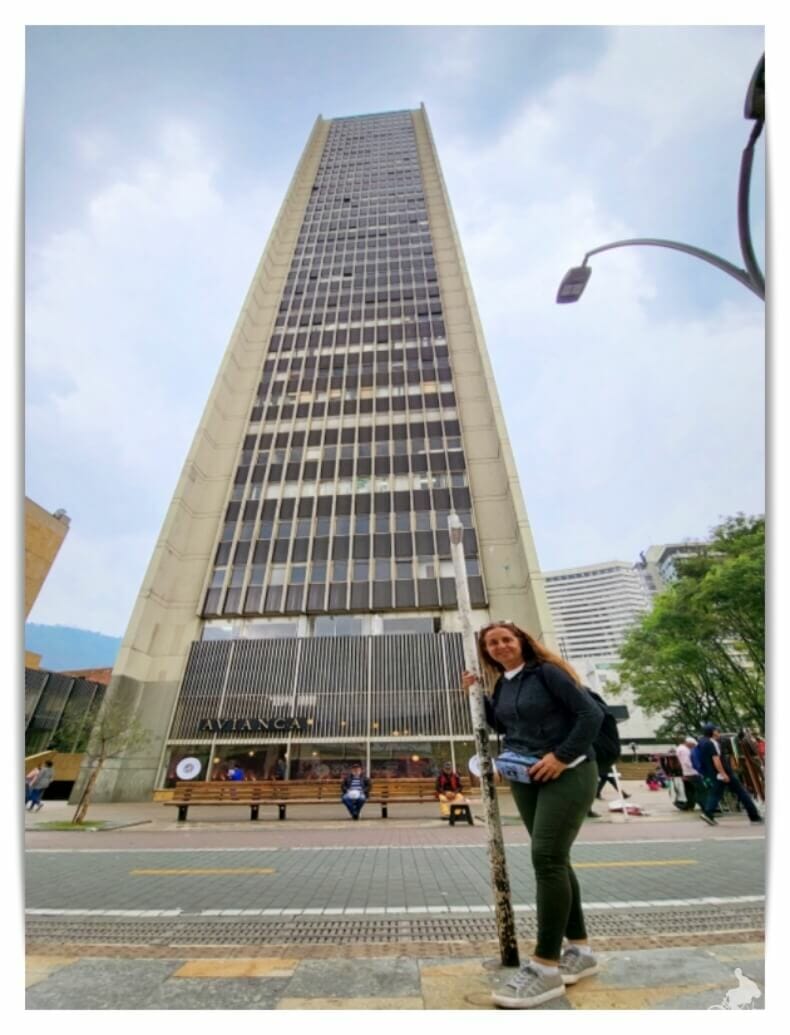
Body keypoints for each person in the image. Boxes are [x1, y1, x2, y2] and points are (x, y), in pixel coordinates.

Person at [462, 620, 603, 1009]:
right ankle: (581, 949)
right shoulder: (504, 684)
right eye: (492, 643)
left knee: (546, 858)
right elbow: (509, 723)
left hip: (568, 771)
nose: (500, 645)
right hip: (525, 775)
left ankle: (545, 967)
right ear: (486, 651)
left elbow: (590, 716)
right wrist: (479, 698)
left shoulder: (548, 673)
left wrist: (560, 756)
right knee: (556, 860)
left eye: (506, 639)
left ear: (521, 641)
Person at [697, 723, 763, 826]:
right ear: (713, 732)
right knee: (742, 792)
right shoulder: (712, 743)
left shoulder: (702, 742)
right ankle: (754, 817)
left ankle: (708, 814)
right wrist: (723, 774)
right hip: (723, 772)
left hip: (713, 773)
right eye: (717, 730)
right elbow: (716, 760)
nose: (719, 733)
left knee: (715, 794)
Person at [675, 736, 704, 811]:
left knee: (689, 790)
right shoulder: (684, 750)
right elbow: (687, 762)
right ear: (688, 743)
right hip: (692, 772)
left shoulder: (680, 749)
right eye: (693, 745)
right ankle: (703, 804)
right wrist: (697, 768)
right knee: (699, 790)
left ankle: (690, 805)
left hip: (687, 772)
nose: (693, 747)